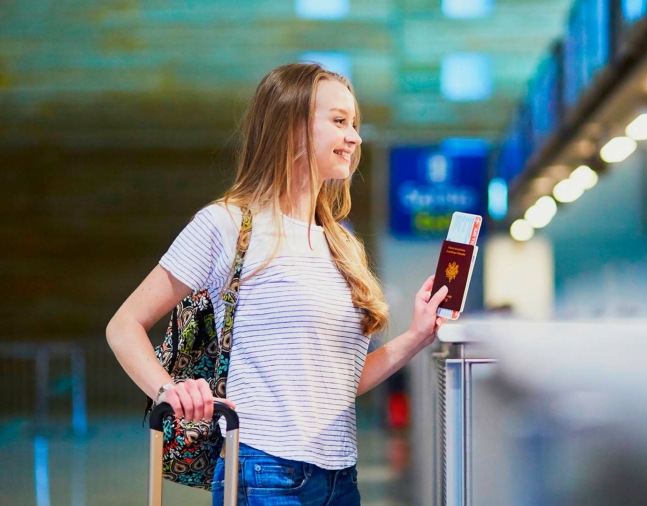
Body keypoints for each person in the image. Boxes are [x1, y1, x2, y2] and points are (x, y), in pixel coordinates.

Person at [106, 63, 449, 506]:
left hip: (340, 478)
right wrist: (170, 390)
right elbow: (124, 325)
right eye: (340, 121)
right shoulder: (226, 224)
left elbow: (339, 382)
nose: (355, 137)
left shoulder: (342, 243)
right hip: (263, 471)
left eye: (355, 124)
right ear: (292, 127)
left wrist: (417, 337)